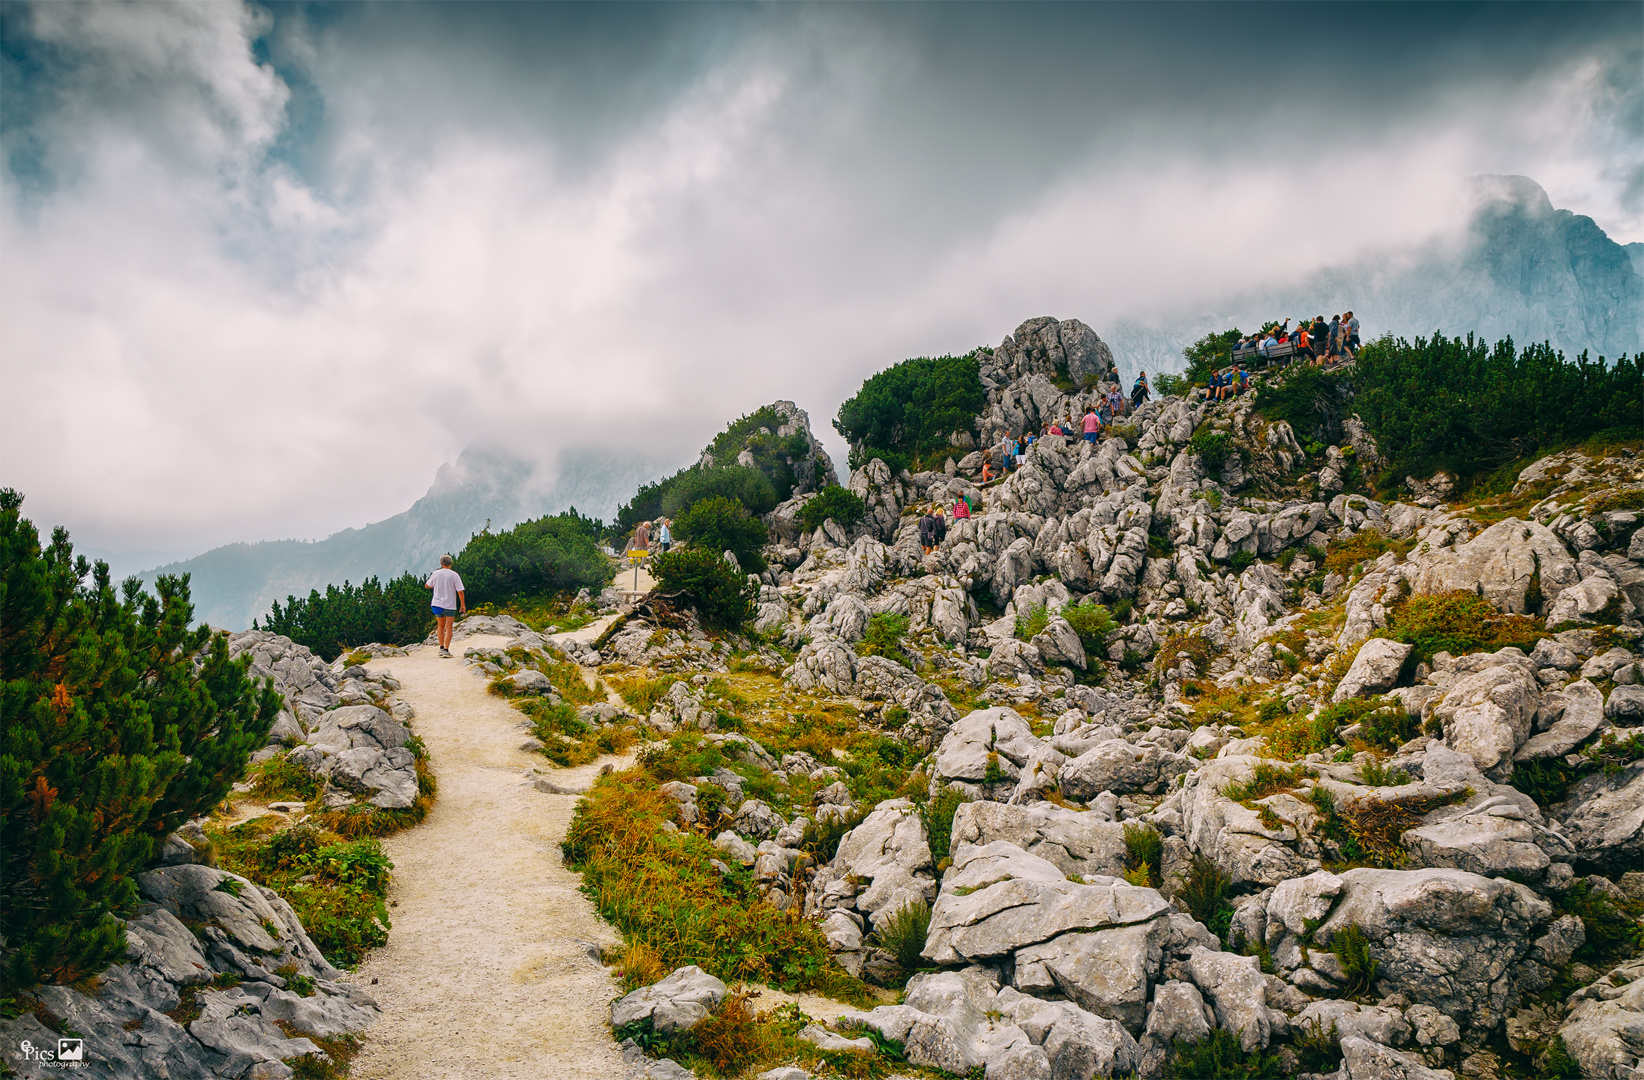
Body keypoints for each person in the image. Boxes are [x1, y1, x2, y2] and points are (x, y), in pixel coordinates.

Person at [425, 555, 466, 658]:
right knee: (449, 627)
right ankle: (446, 650)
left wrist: (437, 585)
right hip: (450, 604)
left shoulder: (436, 573)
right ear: (451, 563)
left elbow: (427, 585)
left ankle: (441, 647)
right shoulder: (454, 575)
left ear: (441, 563)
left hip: (437, 603)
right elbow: (460, 591)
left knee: (440, 625)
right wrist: (463, 605)